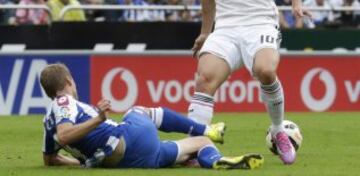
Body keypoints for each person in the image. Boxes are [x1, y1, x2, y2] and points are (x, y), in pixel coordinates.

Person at [190, 0, 310, 165]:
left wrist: (296, 4)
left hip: (260, 23)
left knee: (266, 71)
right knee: (204, 79)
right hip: (227, 28)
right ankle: (193, 148)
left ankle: (278, 130)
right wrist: (204, 32)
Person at [40, 63, 264, 169]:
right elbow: (66, 133)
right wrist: (98, 119)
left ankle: (214, 160)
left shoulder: (47, 124)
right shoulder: (64, 100)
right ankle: (208, 130)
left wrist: (82, 162)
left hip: (128, 162)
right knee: (136, 111)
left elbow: (50, 159)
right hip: (127, 141)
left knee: (197, 146)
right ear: (69, 81)